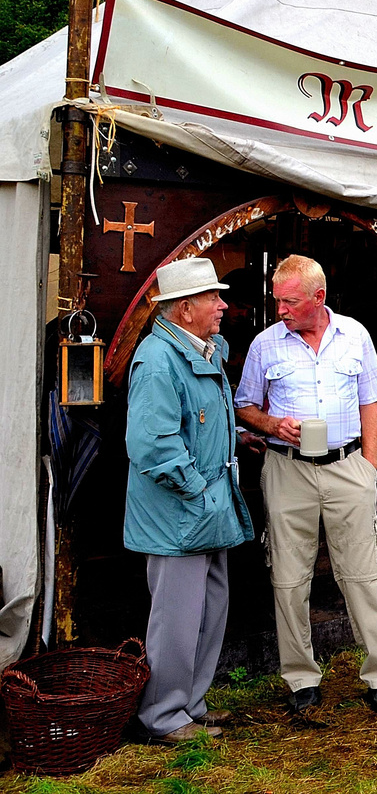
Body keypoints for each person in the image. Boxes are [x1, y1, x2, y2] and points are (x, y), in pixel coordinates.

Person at [234, 256, 377, 715]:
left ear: (318, 298)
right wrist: (271, 423)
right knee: (289, 578)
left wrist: (369, 467)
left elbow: (373, 402)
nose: (281, 310)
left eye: (290, 301)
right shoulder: (265, 345)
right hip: (287, 470)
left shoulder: (355, 335)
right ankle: (301, 680)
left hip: (347, 467)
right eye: (278, 301)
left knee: (365, 574)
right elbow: (243, 406)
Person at [124, 258, 255, 743]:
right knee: (176, 619)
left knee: (209, 609)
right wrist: (200, 491)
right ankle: (163, 716)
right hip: (181, 514)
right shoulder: (157, 360)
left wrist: (235, 440)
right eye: (213, 297)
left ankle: (190, 705)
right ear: (184, 309)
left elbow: (196, 422)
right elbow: (154, 446)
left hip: (208, 510)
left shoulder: (203, 350)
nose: (223, 305)